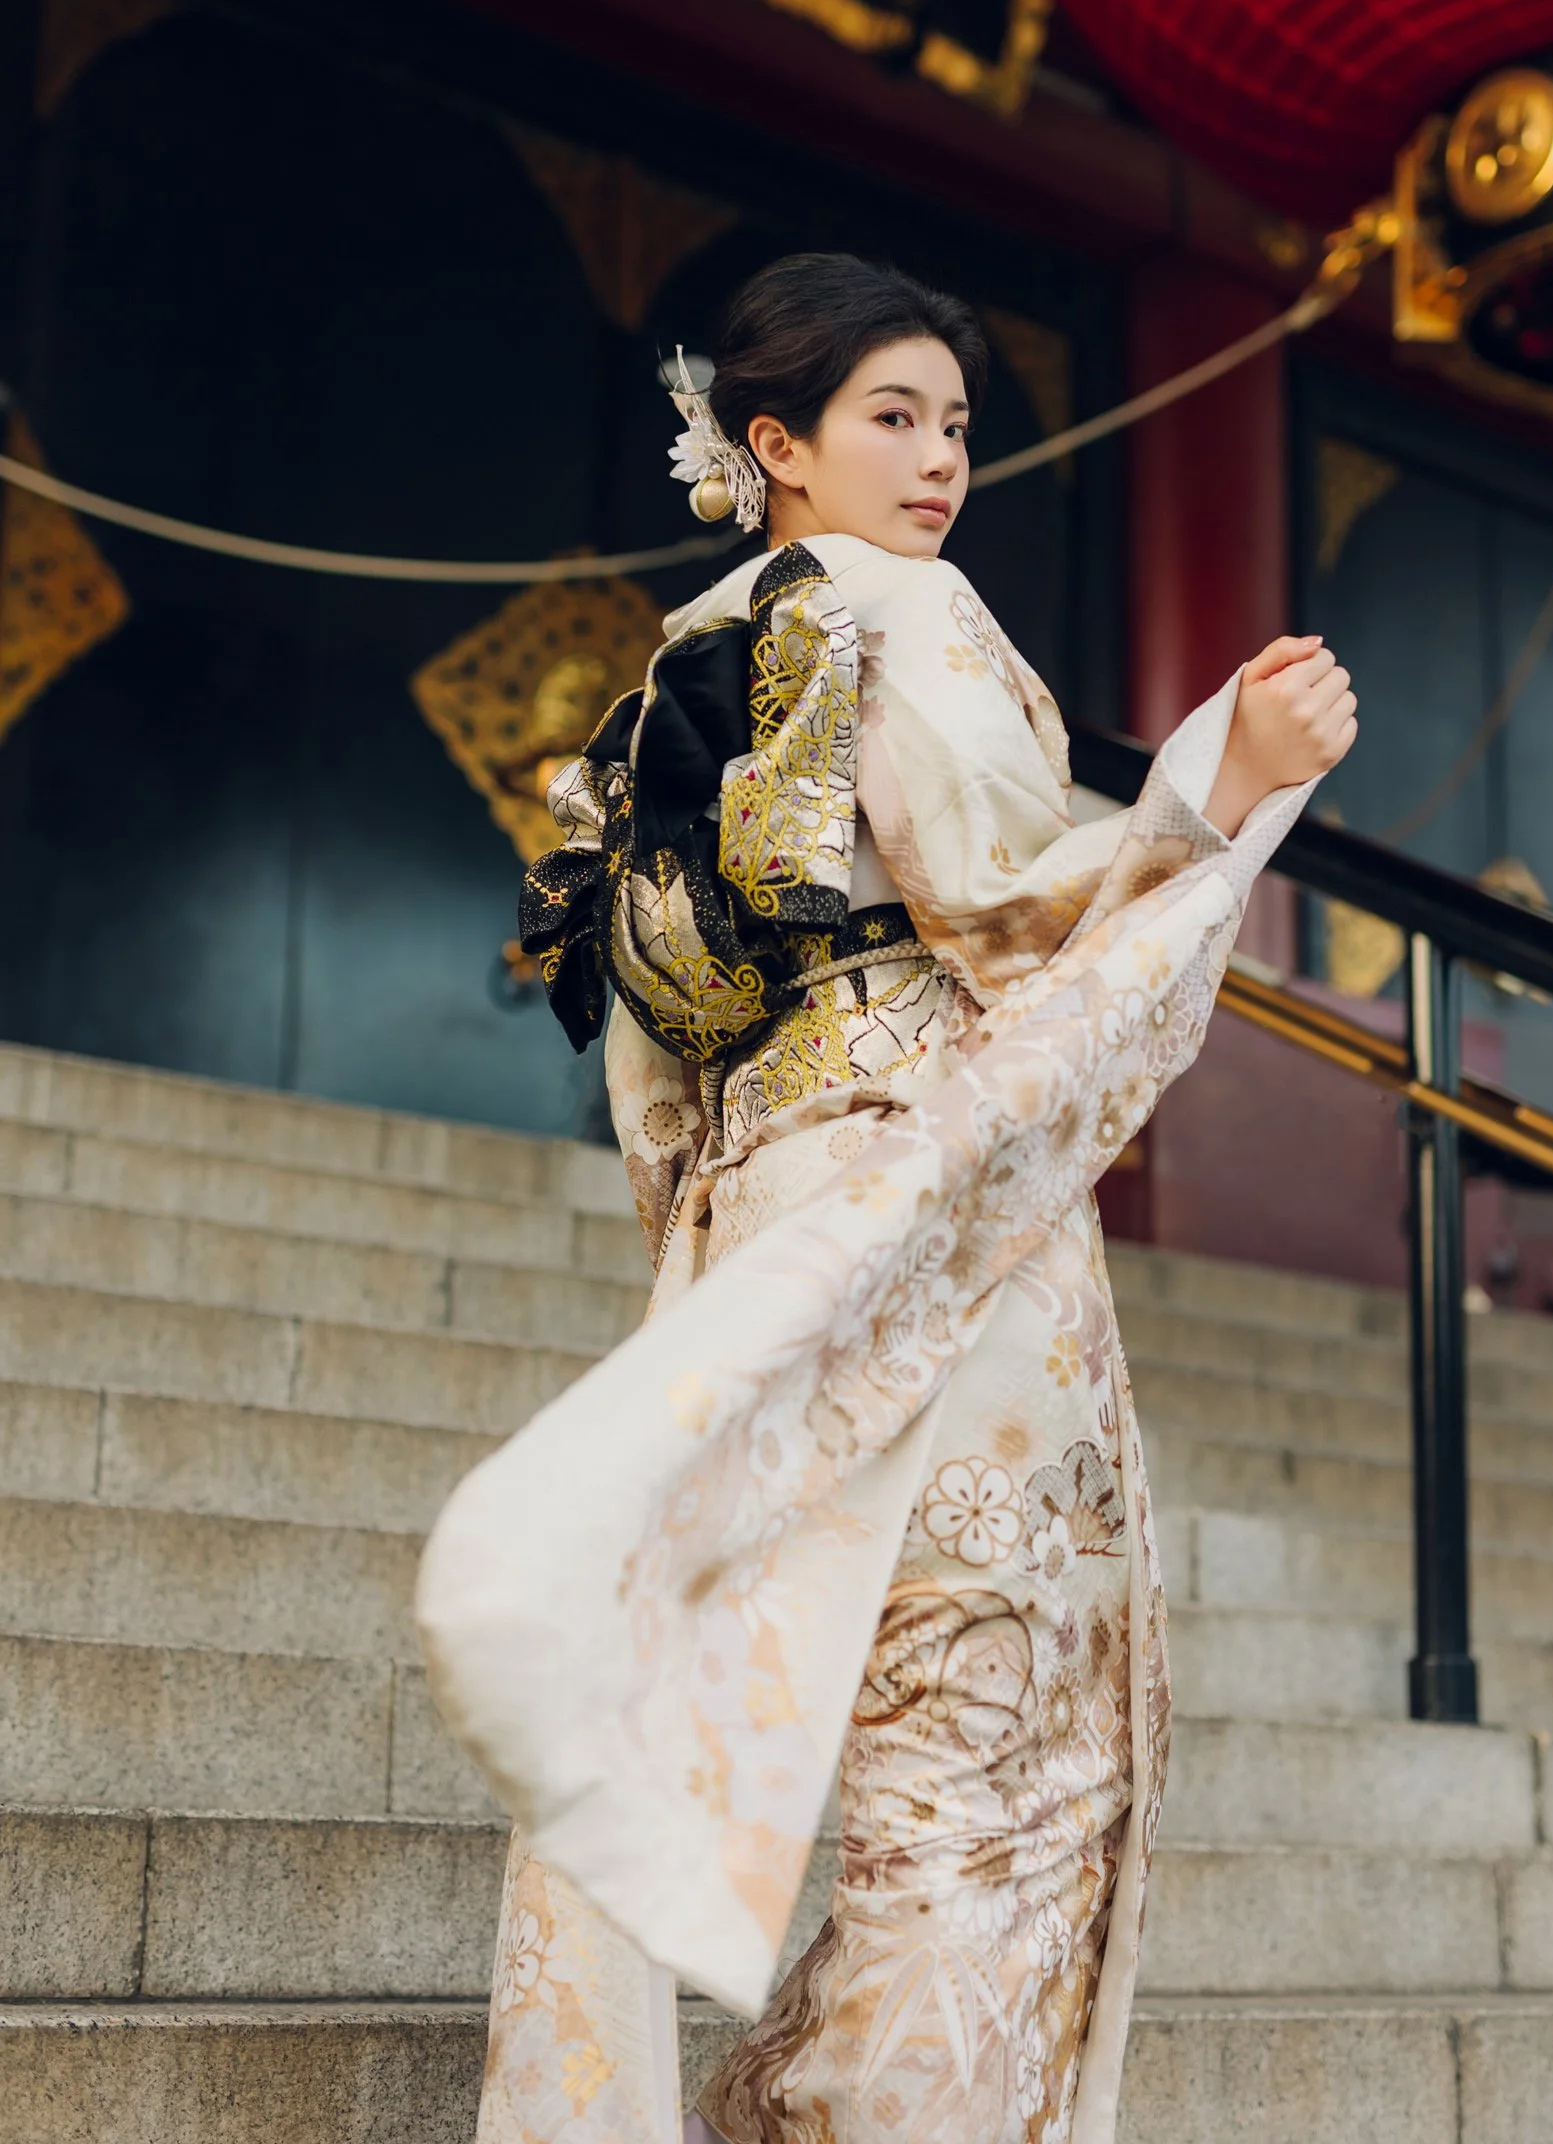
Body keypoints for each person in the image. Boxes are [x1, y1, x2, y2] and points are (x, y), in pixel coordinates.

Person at [418, 253, 1357, 2144]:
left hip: (762, 1213)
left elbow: (657, 1055)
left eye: (954, 427)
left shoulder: (682, 665)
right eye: (891, 418)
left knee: (876, 1725)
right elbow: (1013, 911)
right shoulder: (898, 606)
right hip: (938, 1221)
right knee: (996, 1759)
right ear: (776, 443)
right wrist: (1223, 785)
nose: (938, 464)